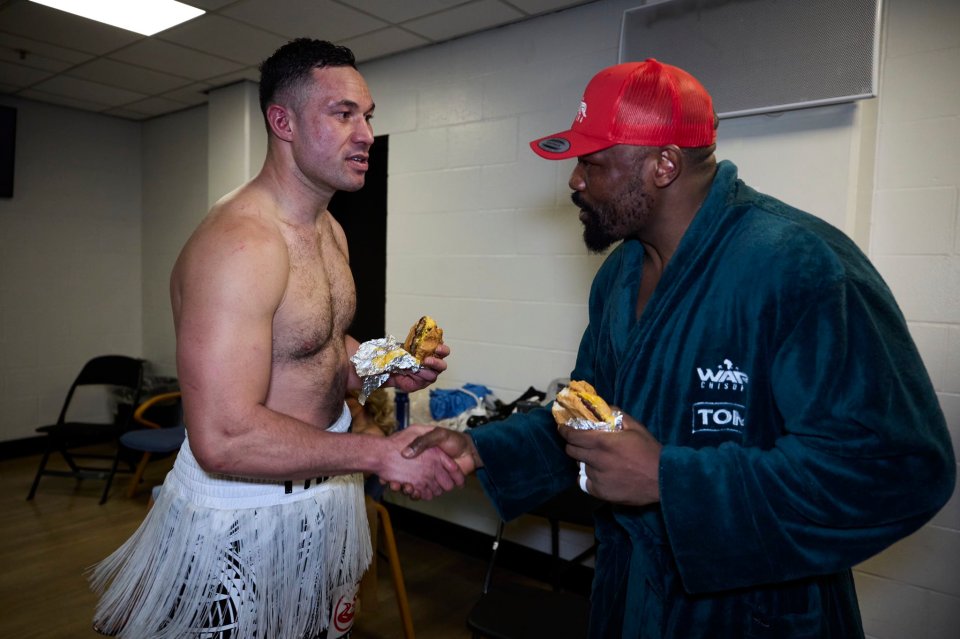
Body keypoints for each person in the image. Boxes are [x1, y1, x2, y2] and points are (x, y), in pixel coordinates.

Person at [403, 59, 956, 638]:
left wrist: (671, 478)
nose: (574, 181)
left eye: (592, 163)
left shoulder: (800, 266)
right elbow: (585, 413)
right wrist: (479, 448)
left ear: (663, 165)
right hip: (631, 600)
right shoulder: (618, 277)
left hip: (752, 614)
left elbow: (898, 471)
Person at [90, 39, 463, 639]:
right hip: (240, 517)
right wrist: (379, 453)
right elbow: (223, 436)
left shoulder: (328, 230)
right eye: (344, 114)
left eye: (368, 115)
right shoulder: (240, 244)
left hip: (322, 499)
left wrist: (378, 363)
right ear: (282, 122)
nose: (365, 132)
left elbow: (317, 353)